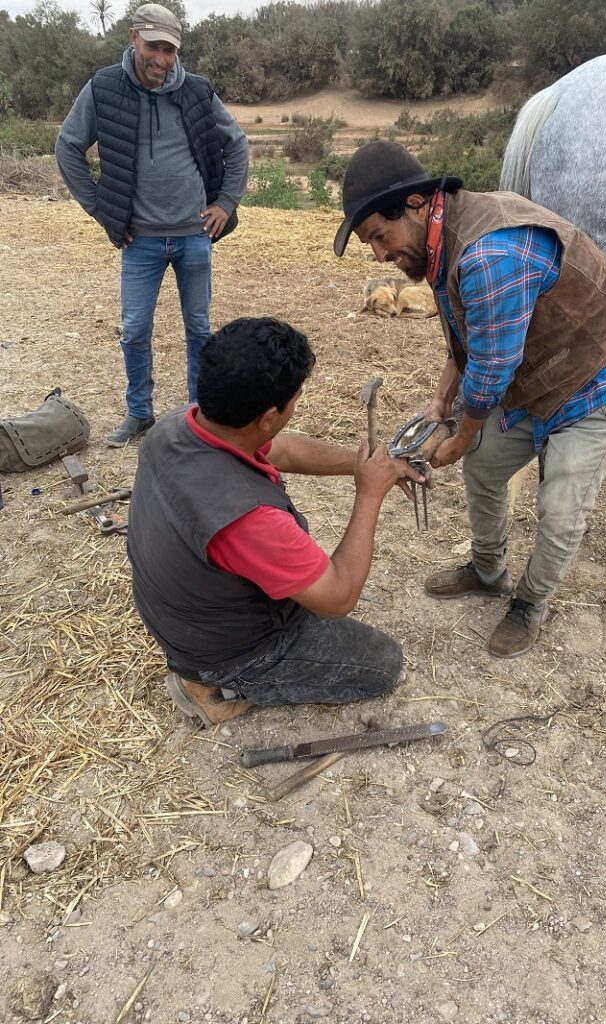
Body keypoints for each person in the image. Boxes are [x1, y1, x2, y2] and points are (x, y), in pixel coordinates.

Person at [334, 141, 606, 658]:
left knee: (560, 507)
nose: (379, 254)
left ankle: (530, 603)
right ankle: (488, 570)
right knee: (485, 468)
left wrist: (461, 434)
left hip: (599, 378)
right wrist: (440, 403)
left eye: (380, 235)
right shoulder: (440, 242)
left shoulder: (488, 254)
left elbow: (491, 370)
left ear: (417, 205)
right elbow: (467, 343)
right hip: (537, 371)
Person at [127, 316, 424, 726]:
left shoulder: (180, 426)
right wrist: (370, 494)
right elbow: (339, 598)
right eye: (296, 397)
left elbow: (281, 449)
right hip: (223, 651)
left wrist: (366, 466)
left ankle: (206, 670)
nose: (296, 404)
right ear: (266, 416)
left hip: (181, 618)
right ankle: (219, 688)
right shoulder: (248, 520)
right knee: (382, 664)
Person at [55, 4, 250, 447]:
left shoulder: (197, 91)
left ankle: (199, 418)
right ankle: (140, 413)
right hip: (138, 239)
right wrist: (99, 208)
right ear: (132, 39)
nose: (161, 59)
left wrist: (225, 202)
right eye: (153, 47)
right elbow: (68, 147)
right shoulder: (103, 88)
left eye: (169, 50)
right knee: (135, 329)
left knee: (199, 329)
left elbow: (237, 145)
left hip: (194, 236)